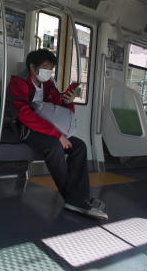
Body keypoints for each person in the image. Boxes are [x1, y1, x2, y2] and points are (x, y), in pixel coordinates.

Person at [8, 49, 108, 221]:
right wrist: (57, 135)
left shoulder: (48, 85)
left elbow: (57, 109)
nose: (49, 72)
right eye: (46, 68)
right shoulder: (18, 83)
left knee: (79, 146)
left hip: (46, 128)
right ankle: (73, 199)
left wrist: (68, 103)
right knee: (54, 146)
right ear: (32, 67)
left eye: (51, 68)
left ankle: (81, 196)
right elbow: (24, 114)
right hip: (25, 129)